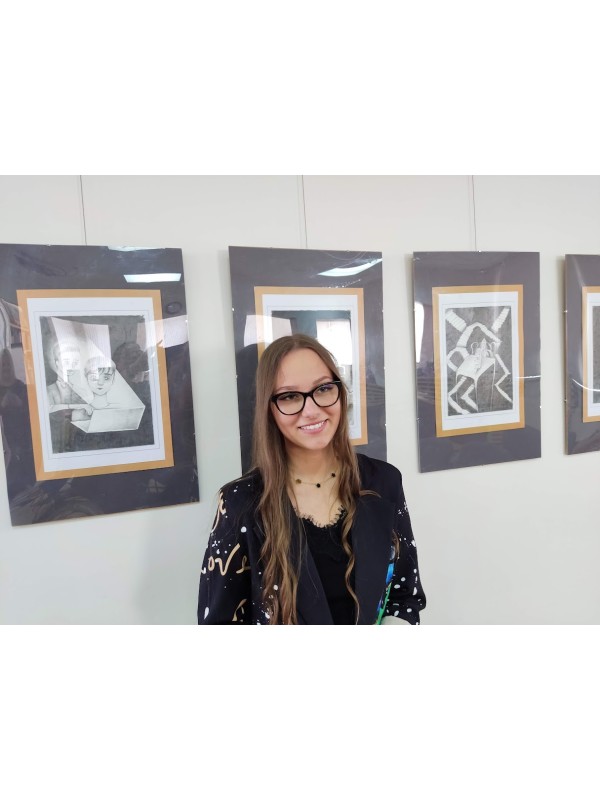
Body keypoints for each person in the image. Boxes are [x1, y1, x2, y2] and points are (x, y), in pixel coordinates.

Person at [197, 333, 426, 625]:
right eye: (290, 396)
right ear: (269, 409)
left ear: (340, 392)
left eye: (323, 388)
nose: (312, 410)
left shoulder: (383, 482)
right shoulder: (239, 503)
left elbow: (405, 597)